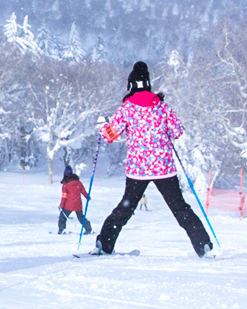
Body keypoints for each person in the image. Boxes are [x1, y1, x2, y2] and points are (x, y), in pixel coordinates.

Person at [94, 62, 212, 257]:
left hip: (138, 170)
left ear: (131, 85)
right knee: (179, 207)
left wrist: (102, 126)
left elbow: (110, 135)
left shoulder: (128, 108)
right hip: (164, 168)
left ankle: (104, 244)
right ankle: (203, 245)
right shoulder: (162, 107)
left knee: (126, 207)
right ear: (148, 84)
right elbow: (177, 131)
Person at [58, 165, 91, 235]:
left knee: (62, 217)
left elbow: (64, 196)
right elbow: (83, 191)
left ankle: (62, 230)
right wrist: (87, 197)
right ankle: (89, 229)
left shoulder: (65, 185)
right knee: (81, 218)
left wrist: (61, 205)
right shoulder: (78, 183)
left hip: (68, 205)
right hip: (78, 204)